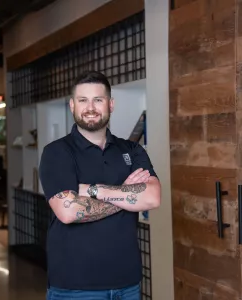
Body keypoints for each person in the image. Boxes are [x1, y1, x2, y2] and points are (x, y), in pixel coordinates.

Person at [38, 70, 161, 300]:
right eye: (83, 100)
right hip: (74, 285)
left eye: (98, 99)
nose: (90, 107)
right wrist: (127, 196)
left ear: (111, 104)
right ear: (72, 105)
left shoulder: (131, 150)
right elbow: (69, 211)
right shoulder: (57, 152)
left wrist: (93, 190)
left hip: (127, 282)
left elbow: (153, 197)